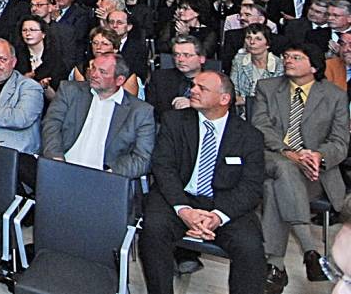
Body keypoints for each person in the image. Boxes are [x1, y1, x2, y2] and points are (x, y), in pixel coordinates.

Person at [138, 70, 266, 294]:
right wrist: (184, 210)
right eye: (194, 86)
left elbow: (251, 187)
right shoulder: (174, 121)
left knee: (250, 247)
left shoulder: (249, 136)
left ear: (224, 99)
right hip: (179, 197)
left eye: (202, 88)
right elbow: (163, 168)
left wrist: (218, 216)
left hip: (224, 203)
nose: (193, 91)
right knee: (153, 230)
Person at [250, 43, 350, 293]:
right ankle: (310, 250)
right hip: (272, 157)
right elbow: (260, 127)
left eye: (296, 57)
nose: (288, 60)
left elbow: (340, 142)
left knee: (274, 188)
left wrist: (318, 156)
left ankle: (275, 267)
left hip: (312, 172)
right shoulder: (267, 87)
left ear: (314, 66)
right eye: (286, 56)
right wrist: (289, 153)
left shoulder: (335, 96)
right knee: (283, 168)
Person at [41, 52, 156, 177]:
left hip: (105, 178)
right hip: (62, 167)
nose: (94, 75)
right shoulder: (69, 91)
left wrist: (110, 174)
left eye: (102, 72)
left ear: (120, 80)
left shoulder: (140, 112)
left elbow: (142, 158)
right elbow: (51, 124)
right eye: (93, 68)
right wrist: (55, 158)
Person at [228, 22, 282, 108]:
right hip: (243, 112)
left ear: (267, 44)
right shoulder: (239, 60)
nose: (252, 42)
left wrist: (244, 100)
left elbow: (274, 98)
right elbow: (233, 92)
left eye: (258, 39)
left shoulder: (279, 65)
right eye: (248, 38)